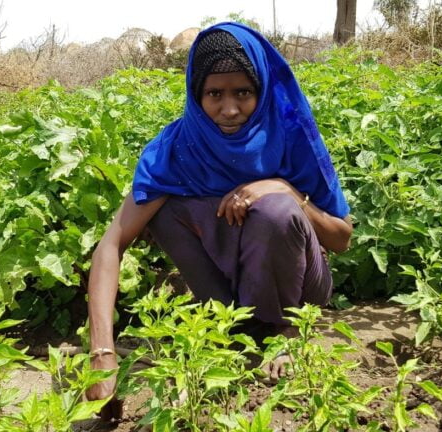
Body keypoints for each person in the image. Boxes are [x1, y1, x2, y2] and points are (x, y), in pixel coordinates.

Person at [85, 22, 352, 421]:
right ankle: (229, 328)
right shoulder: (177, 149)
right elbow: (111, 245)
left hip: (300, 294)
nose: (229, 109)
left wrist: (286, 191)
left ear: (260, 91)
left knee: (275, 210)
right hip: (229, 293)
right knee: (164, 208)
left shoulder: (291, 136)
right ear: (196, 95)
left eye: (243, 92)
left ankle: (286, 333)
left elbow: (342, 238)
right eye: (214, 94)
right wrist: (101, 353)